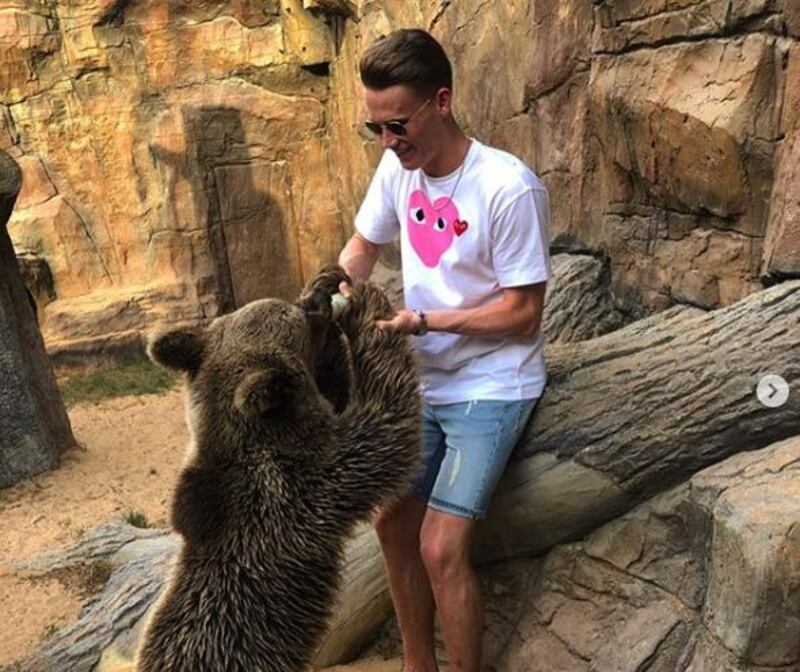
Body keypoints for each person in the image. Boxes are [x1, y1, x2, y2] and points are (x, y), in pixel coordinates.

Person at [337, 28, 551, 672]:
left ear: (442, 101)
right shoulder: (395, 168)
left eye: (398, 124)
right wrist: (334, 291)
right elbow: (362, 248)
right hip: (423, 380)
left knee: (439, 548)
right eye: (374, 127)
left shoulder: (508, 187)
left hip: (493, 383)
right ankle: (414, 664)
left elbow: (523, 313)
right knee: (389, 522)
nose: (388, 141)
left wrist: (428, 321)